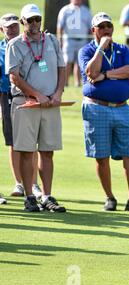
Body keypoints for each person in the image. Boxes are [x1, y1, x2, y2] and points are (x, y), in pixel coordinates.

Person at [78, 12, 129, 213]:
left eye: (109, 25)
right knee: (101, 156)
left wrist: (106, 75)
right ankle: (109, 197)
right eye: (101, 27)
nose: (106, 29)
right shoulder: (86, 50)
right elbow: (91, 72)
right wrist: (100, 49)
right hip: (96, 107)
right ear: (94, 30)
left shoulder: (122, 49)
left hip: (122, 107)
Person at [6, 4, 67, 213]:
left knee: (48, 151)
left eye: (37, 19)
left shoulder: (51, 40)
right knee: (25, 151)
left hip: (50, 103)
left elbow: (62, 69)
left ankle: (47, 196)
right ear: (23, 22)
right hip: (25, 103)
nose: (34, 24)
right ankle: (30, 197)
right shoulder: (14, 44)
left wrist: (58, 93)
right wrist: (36, 94)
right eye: (29, 20)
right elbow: (14, 76)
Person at [0, 13, 42, 200]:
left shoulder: (28, 44)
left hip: (29, 94)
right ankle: (19, 183)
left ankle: (33, 184)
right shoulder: (2, 48)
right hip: (6, 95)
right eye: (8, 27)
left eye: (15, 25)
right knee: (14, 141)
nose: (12, 29)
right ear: (2, 30)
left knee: (30, 141)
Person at [57, 0, 92, 87]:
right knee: (67, 61)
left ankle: (78, 82)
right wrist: (59, 40)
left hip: (83, 40)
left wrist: (91, 40)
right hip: (69, 40)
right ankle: (65, 82)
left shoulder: (86, 11)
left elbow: (90, 27)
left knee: (80, 62)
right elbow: (60, 27)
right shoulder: (65, 10)